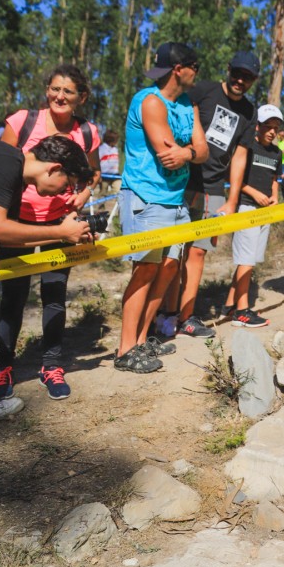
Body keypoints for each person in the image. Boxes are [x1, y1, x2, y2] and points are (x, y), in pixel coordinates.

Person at [0, 64, 102, 401]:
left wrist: (81, 197)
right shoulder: (22, 121)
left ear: (81, 97)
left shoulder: (87, 133)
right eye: (55, 89)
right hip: (17, 222)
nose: (59, 96)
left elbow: (92, 173)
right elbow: (3, 170)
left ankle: (51, 365)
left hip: (62, 225)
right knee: (13, 295)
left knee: (55, 293)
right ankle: (2, 368)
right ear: (46, 90)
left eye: (68, 91)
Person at [0, 137, 93, 427]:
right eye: (67, 184)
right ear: (54, 168)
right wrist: (62, 233)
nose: (65, 192)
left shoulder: (12, 172)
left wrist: (65, 235)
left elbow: (13, 233)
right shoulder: (6, 162)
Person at [115, 42, 208, 374]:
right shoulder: (150, 102)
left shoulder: (187, 104)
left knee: (168, 267)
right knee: (145, 270)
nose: (198, 72)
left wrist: (188, 153)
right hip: (146, 197)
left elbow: (202, 150)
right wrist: (187, 152)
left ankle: (142, 338)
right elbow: (166, 153)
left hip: (175, 200)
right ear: (179, 69)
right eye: (195, 65)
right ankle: (126, 349)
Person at [159, 51, 260, 339]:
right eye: (237, 73)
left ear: (254, 80)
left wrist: (232, 199)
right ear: (228, 69)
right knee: (172, 251)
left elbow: (240, 156)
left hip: (214, 189)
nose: (240, 80)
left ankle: (187, 316)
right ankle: (165, 313)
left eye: (248, 77)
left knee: (199, 251)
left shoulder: (250, 112)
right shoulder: (203, 91)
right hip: (181, 182)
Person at [229, 105, 284, 328]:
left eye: (276, 128)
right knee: (246, 260)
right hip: (247, 208)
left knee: (251, 259)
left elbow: (274, 179)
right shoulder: (247, 147)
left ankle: (231, 303)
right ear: (258, 126)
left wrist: (274, 197)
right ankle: (241, 312)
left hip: (265, 212)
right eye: (267, 127)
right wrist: (254, 193)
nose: (272, 132)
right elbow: (236, 180)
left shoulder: (276, 153)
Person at [97, 129, 120, 196]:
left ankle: (111, 197)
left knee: (118, 189)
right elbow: (97, 162)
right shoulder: (102, 149)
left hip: (115, 175)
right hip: (104, 175)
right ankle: (101, 206)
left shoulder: (115, 149)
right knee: (103, 192)